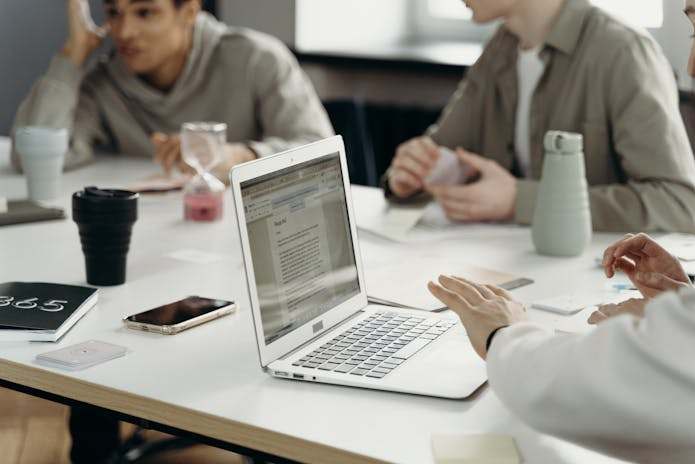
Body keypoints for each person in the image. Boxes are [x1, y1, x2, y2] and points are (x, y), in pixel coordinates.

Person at [385, 0, 695, 233]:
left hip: (598, 291)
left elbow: (680, 204)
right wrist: (411, 178)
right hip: (516, 273)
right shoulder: (499, 49)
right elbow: (441, 152)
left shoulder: (623, 51)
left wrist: (520, 200)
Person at [11, 0, 333, 180]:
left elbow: (321, 150)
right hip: (152, 238)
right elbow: (31, 159)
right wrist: (72, 56)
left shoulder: (257, 59)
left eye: (145, 12)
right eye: (114, 13)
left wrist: (233, 154)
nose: (124, 31)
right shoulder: (104, 81)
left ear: (190, 11)